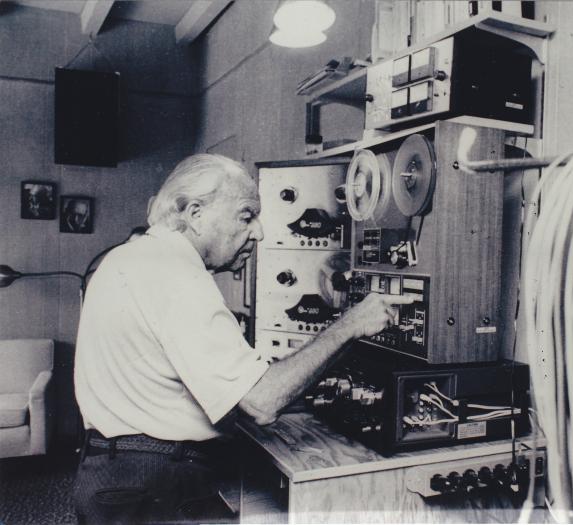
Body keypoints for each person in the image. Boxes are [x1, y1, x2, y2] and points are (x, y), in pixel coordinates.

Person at [73, 154, 412, 523]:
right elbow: (263, 401)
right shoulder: (175, 275)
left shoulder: (130, 258)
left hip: (115, 472)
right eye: (247, 215)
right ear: (194, 212)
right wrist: (351, 324)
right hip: (156, 478)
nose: (260, 232)